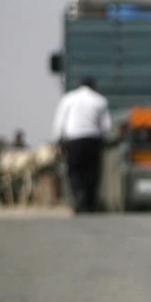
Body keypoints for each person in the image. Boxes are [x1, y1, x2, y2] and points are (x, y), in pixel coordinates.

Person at [51, 77, 111, 213]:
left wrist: (58, 142)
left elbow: (59, 122)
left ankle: (79, 199)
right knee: (92, 173)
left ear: (79, 85)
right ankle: (90, 204)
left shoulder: (68, 99)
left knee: (74, 171)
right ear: (93, 86)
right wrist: (103, 141)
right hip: (93, 140)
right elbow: (106, 126)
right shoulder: (100, 100)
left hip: (74, 141)